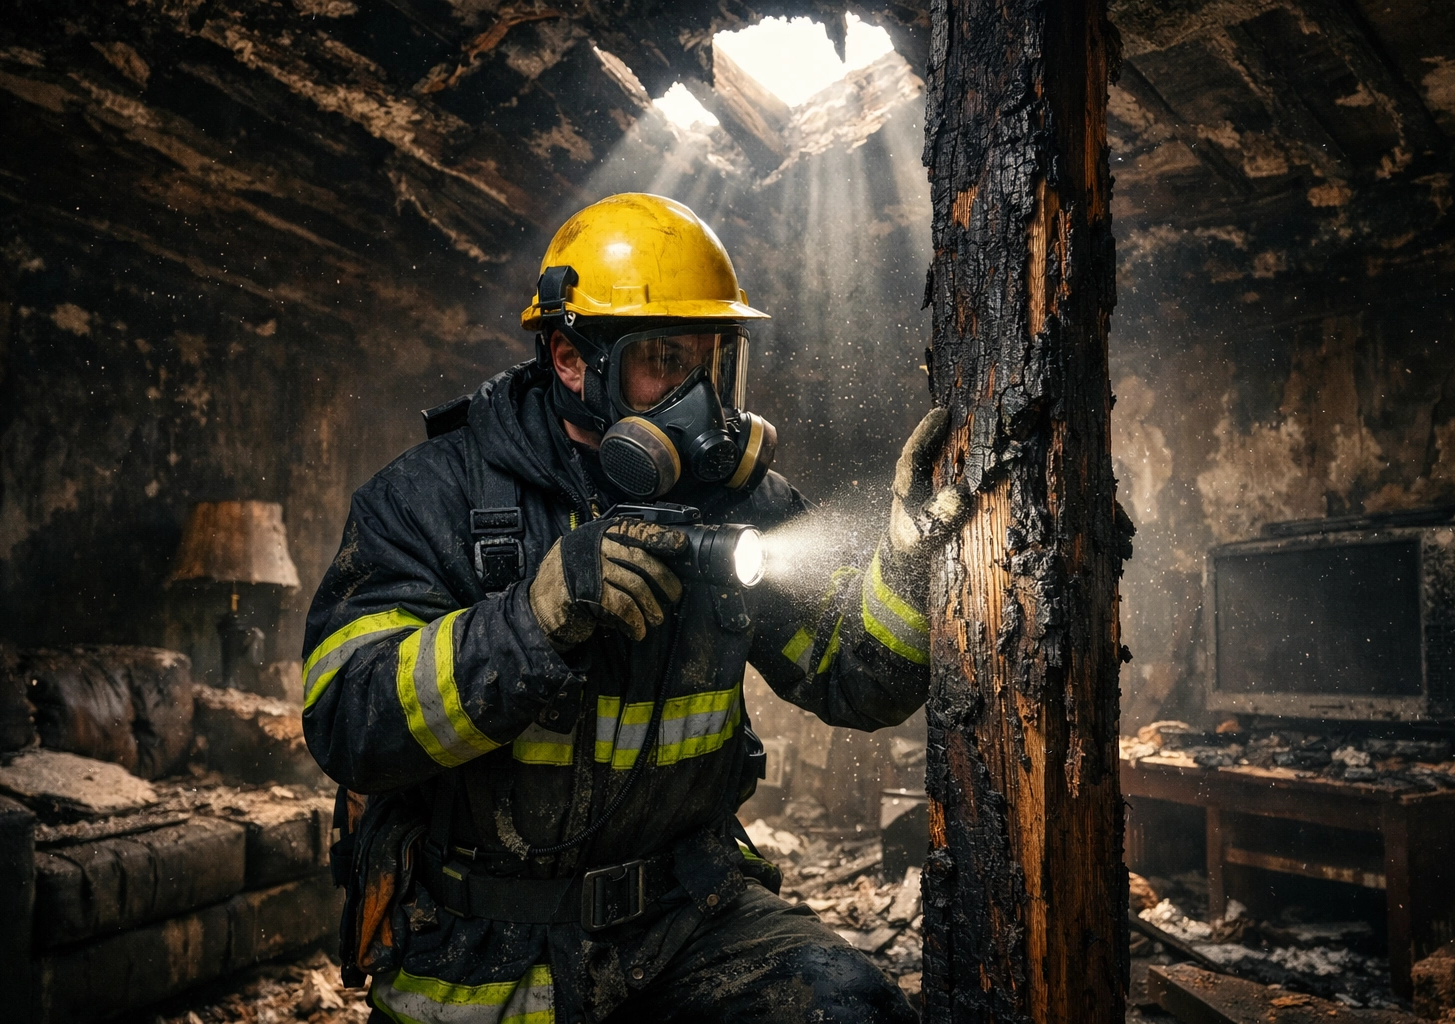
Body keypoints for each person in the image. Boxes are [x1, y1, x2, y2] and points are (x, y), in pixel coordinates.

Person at [302, 193, 967, 1024]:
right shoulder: (429, 498)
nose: (699, 400)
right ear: (571, 361)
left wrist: (905, 564)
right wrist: (531, 621)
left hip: (686, 919)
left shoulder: (740, 502)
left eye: (713, 364)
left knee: (852, 1010)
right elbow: (347, 722)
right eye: (663, 360)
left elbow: (856, 680)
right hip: (481, 947)